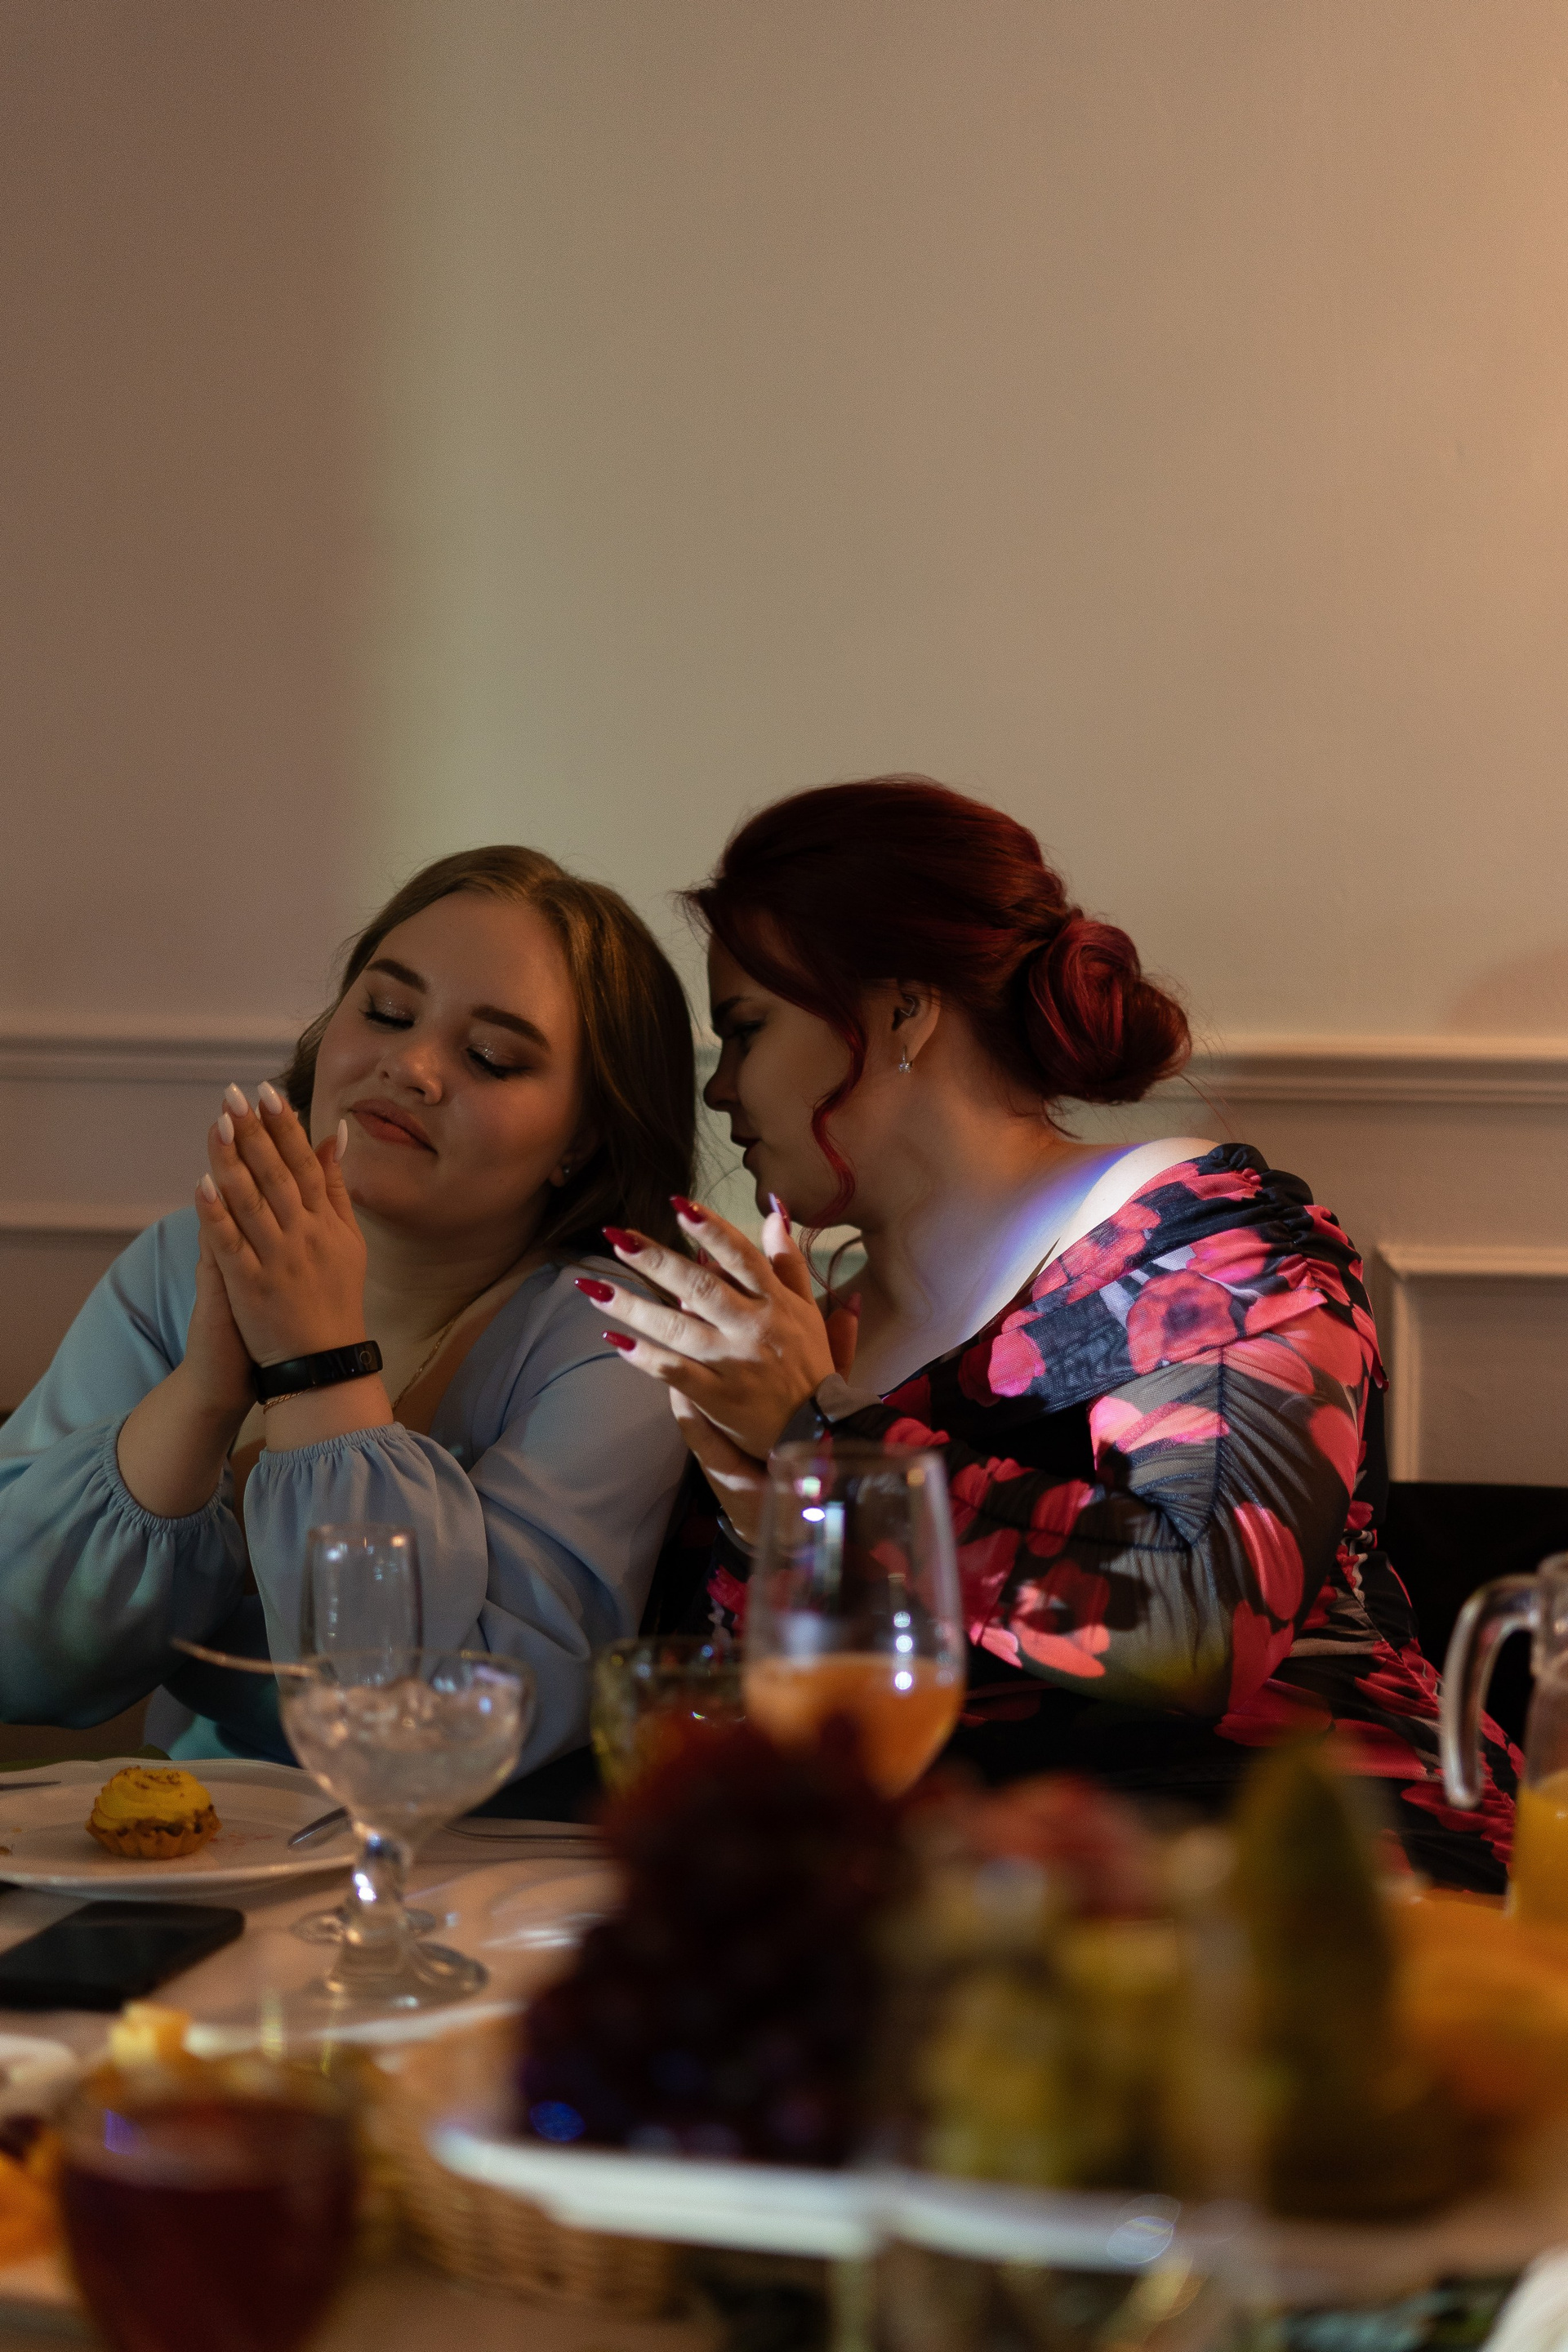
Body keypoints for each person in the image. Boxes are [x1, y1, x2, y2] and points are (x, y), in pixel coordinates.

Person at [590, 777, 1518, 1892]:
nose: (722, 1090)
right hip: (968, 1903)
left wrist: (822, 1443)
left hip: (1310, 1871)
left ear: (903, 1010)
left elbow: (1203, 1618)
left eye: (746, 1030)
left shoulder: (1197, 1241)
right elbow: (787, 1732)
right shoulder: (808, 1331)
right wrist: (766, 1516)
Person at [0, 846, 695, 1779]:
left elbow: (424, 1743)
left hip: (477, 1858)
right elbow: (19, 1659)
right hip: (203, 1831)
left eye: (490, 1058)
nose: (410, 1066)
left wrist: (317, 1362)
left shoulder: (616, 1335)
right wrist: (205, 1393)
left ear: (584, 1138)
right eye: (387, 1012)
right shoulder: (180, 1261)